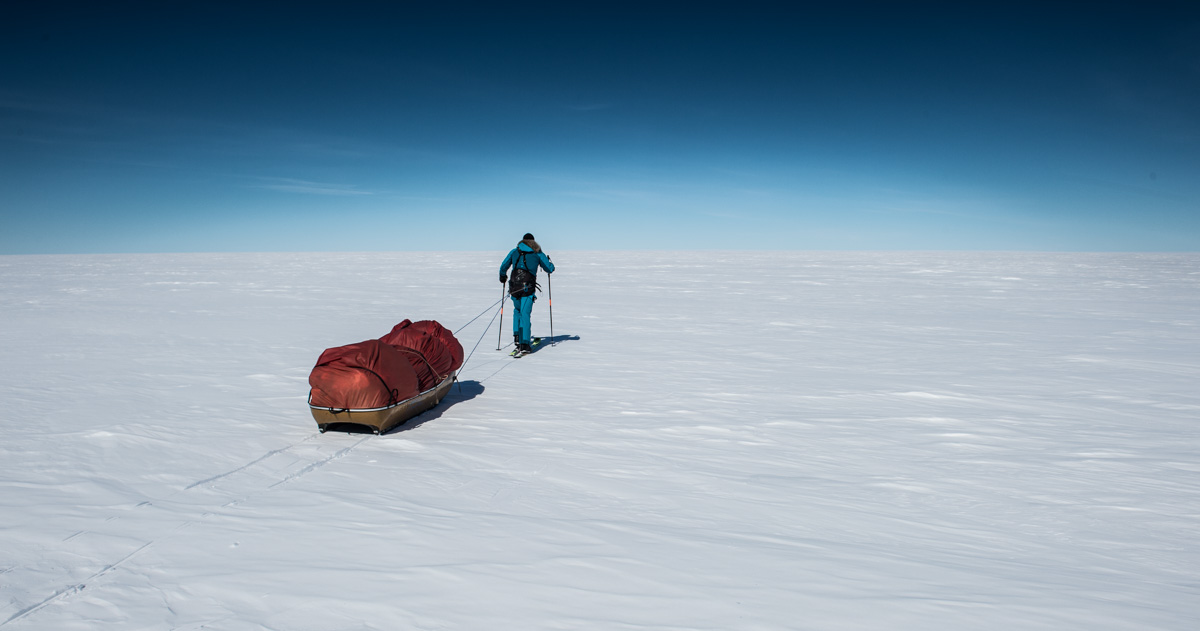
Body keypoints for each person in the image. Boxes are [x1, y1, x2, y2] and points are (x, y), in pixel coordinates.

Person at [499, 233, 554, 354]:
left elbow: (503, 266)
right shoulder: (537, 253)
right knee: (525, 314)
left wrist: (502, 277)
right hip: (527, 289)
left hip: (514, 288)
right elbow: (549, 268)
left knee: (517, 311)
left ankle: (517, 337)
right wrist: (549, 261)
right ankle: (524, 343)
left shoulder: (515, 252)